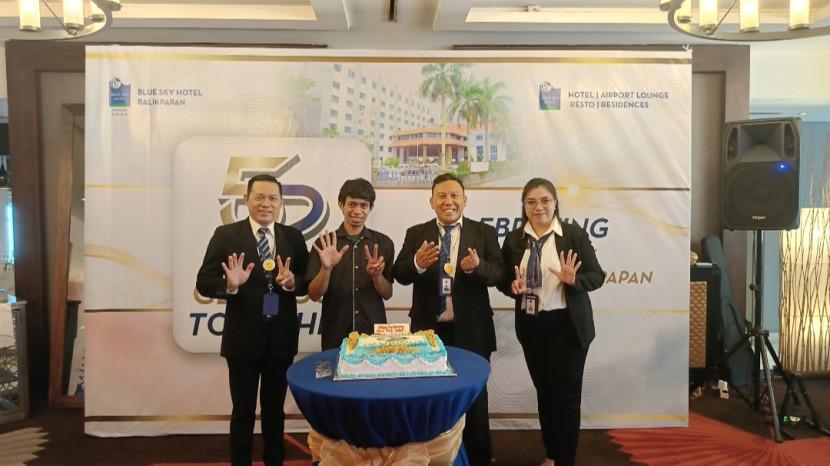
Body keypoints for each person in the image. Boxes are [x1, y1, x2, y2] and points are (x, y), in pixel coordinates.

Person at [196, 173, 309, 466]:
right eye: (259, 197)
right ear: (246, 199)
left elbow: (306, 282)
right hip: (242, 340)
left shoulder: (293, 237)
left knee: (274, 412)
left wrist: (291, 282)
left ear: (281, 202)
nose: (266, 203)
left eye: (273, 198)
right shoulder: (226, 235)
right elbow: (204, 282)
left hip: (281, 339)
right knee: (243, 412)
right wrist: (230, 285)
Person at [393, 172, 505, 466]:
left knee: (475, 399)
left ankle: (479, 457)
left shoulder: (483, 232)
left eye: (454, 195)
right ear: (431, 201)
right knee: (430, 397)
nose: (448, 201)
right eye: (441, 196)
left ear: (465, 200)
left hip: (472, 330)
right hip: (429, 331)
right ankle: (432, 457)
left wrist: (478, 268)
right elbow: (399, 273)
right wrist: (417, 263)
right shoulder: (416, 233)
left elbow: (499, 274)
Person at [498, 178, 605, 466]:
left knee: (566, 398)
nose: (539, 207)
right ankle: (552, 454)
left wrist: (574, 280)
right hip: (532, 327)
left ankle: (565, 460)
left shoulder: (573, 235)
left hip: (568, 328)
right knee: (545, 394)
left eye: (545, 200)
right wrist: (512, 287)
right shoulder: (514, 239)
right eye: (531, 202)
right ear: (524, 206)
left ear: (555, 203)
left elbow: (597, 276)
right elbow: (503, 279)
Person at [306, 178, 394, 350]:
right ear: (341, 205)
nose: (357, 211)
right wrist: (326, 268)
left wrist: (377, 276)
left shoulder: (383, 243)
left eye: (364, 205)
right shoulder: (325, 244)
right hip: (335, 332)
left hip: (373, 333)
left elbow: (387, 293)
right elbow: (314, 294)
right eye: (352, 204)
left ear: (370, 208)